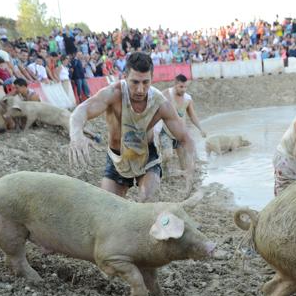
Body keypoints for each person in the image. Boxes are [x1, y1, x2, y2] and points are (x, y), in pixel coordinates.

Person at [68, 52, 196, 202]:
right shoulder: (113, 93)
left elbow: (185, 138)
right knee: (107, 206)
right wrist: (76, 135)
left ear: (151, 78)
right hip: (117, 157)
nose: (140, 89)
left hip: (147, 156)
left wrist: (190, 169)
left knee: (148, 201)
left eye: (145, 82)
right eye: (135, 82)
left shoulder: (161, 103)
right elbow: (80, 111)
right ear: (125, 76)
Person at [157, 74, 206, 175]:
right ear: (175, 85)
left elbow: (192, 116)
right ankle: (163, 169)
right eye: (181, 87)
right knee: (168, 155)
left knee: (184, 162)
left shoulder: (188, 99)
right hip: (166, 131)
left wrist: (201, 129)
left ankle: (184, 175)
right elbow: (154, 107)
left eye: (185, 87)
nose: (184, 89)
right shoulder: (166, 94)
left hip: (180, 132)